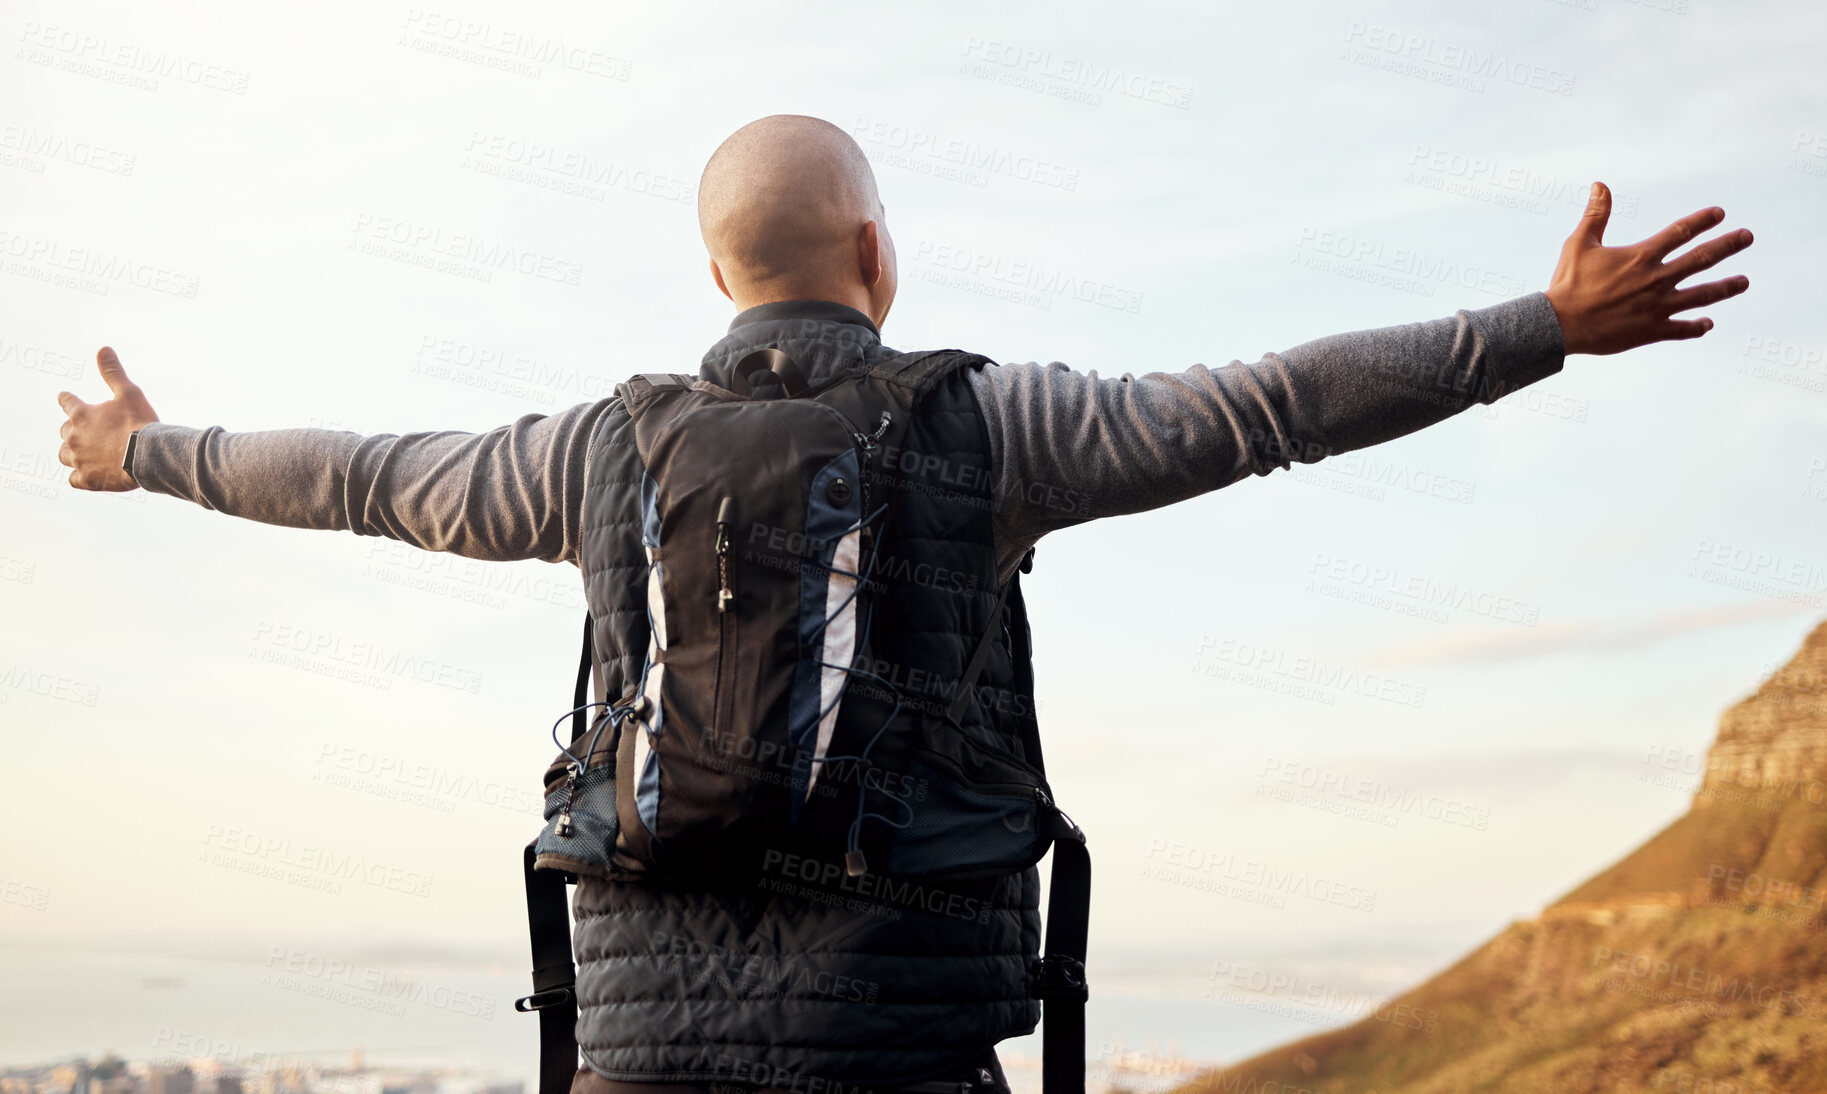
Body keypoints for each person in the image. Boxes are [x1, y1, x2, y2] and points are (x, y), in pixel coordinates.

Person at [54, 114, 1752, 1094]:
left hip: (637, 1055)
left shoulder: (589, 451)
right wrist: (1543, 328)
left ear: (717, 274)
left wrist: (149, 453)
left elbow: (356, 472)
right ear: (877, 253)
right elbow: (1272, 405)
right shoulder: (984, 424)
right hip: (904, 1054)